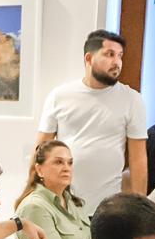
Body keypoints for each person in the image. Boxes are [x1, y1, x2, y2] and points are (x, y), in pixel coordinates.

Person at [36, 29, 147, 212]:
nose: (117, 62)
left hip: (107, 207)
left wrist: (140, 208)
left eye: (120, 56)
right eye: (109, 54)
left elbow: (138, 159)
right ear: (88, 59)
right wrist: (33, 193)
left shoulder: (132, 99)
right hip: (62, 203)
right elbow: (40, 149)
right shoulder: (60, 96)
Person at [14, 139, 90, 239]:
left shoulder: (73, 204)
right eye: (58, 162)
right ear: (39, 170)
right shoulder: (34, 208)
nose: (66, 168)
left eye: (70, 163)